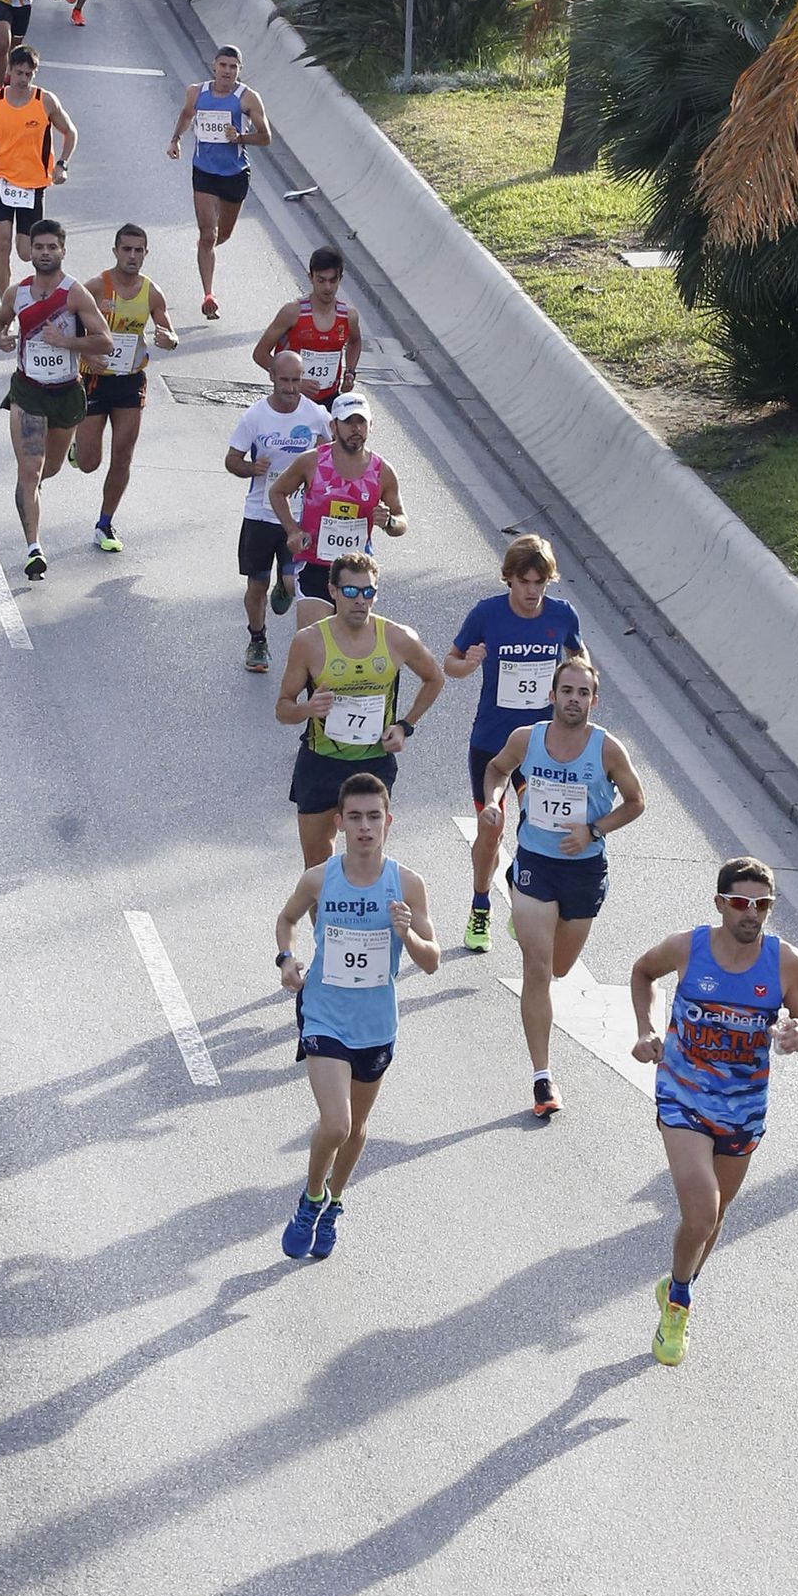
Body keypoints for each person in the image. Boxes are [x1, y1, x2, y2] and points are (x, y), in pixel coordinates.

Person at [630, 858, 798, 1365]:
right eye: (740, 902)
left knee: (714, 1218)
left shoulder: (785, 962)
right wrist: (647, 1029)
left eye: (761, 905)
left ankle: (679, 1284)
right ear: (719, 903)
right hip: (683, 1094)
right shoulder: (688, 947)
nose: (750, 913)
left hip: (743, 1107)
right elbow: (643, 972)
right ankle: (679, 1305)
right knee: (703, 1210)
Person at [274, 773, 440, 1262]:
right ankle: (310, 1200)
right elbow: (286, 920)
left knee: (358, 1125)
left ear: (388, 822)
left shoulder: (406, 884)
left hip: (376, 1025)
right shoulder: (320, 878)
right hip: (325, 1015)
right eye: (355, 818)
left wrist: (407, 934)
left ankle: (335, 1203)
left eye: (373, 817)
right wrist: (286, 960)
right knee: (337, 1123)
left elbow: (432, 961)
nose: (365, 827)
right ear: (340, 823)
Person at [480, 654, 645, 1120]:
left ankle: (535, 929)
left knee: (561, 967)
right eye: (566, 691)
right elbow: (497, 770)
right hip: (535, 862)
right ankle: (541, 1076)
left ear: (595, 699)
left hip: (584, 869)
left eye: (583, 693)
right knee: (537, 966)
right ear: (551, 695)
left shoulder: (608, 749)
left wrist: (594, 830)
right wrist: (493, 802)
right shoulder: (526, 739)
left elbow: (636, 802)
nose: (574, 700)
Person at [444, 533, 581, 952]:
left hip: (543, 744)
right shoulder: (487, 615)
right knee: (492, 828)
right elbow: (449, 663)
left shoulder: (562, 615)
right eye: (525, 582)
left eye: (540, 583)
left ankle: (520, 900)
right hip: (491, 744)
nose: (532, 592)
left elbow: (579, 659)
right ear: (510, 580)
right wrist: (467, 664)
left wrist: (580, 687)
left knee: (539, 827)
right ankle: (480, 906)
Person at [275, 554, 443, 866]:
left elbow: (434, 678)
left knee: (367, 862)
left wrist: (405, 725)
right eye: (351, 592)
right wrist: (308, 709)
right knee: (318, 866)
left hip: (373, 764)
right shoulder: (309, 641)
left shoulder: (397, 637)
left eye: (368, 592)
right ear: (333, 591)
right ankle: (325, 919)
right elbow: (283, 708)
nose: (360, 601)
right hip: (320, 763)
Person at [0, 220, 113, 581]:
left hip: (66, 392)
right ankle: (34, 549)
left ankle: (35, 489)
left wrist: (66, 342)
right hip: (28, 391)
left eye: (51, 247)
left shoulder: (74, 294)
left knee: (50, 469)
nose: (44, 253)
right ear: (32, 253)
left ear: (62, 250)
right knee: (30, 470)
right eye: (39, 247)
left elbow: (104, 341)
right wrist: (1, 340)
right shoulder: (18, 293)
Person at [73, 225, 177, 551]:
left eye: (139, 250)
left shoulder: (152, 293)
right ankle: (78, 445)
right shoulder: (96, 287)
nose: (132, 256)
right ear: (115, 251)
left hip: (131, 380)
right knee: (90, 463)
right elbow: (66, 327)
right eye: (127, 249)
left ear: (146, 253)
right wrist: (88, 351)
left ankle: (105, 524)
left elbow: (168, 332)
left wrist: (169, 339)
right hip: (94, 379)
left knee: (123, 456)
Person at [226, 351, 331, 672]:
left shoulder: (315, 414)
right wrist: (249, 468)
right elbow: (231, 459)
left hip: (300, 517)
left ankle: (282, 589)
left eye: (296, 380)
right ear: (271, 377)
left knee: (290, 583)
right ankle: (257, 640)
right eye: (284, 380)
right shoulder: (255, 416)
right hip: (260, 514)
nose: (290, 388)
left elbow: (336, 448)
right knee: (255, 585)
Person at [268, 391, 405, 613]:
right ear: (333, 427)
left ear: (371, 425)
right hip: (315, 564)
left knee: (350, 645)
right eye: (348, 422)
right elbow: (277, 491)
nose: (355, 429)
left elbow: (401, 520)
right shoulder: (311, 461)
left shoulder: (383, 471)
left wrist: (389, 521)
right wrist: (292, 530)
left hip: (357, 571)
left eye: (361, 422)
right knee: (314, 641)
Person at [165, 46, 272, 317]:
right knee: (208, 233)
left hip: (235, 173)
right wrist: (176, 139)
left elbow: (265, 137)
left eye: (233, 67)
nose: (227, 71)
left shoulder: (247, 98)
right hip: (204, 171)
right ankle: (208, 295)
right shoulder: (196, 92)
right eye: (223, 65)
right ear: (214, 66)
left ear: (239, 70)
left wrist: (240, 138)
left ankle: (204, 250)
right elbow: (187, 114)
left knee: (222, 234)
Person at [0, 45, 77, 291]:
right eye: (19, 73)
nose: (23, 79)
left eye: (28, 74)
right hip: (2, 178)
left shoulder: (45, 101)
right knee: (2, 244)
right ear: (9, 71)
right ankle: (6, 302)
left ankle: (40, 290)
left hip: (33, 183)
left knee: (27, 253)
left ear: (34, 74)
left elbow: (70, 132)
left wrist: (62, 164)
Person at [250, 246, 362, 408]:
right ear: (311, 278)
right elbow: (260, 354)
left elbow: (355, 341)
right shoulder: (292, 312)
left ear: (340, 279)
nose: (327, 287)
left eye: (333, 280)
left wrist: (350, 372)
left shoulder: (348, 316)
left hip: (328, 400)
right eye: (321, 280)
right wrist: (294, 382)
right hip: (291, 400)